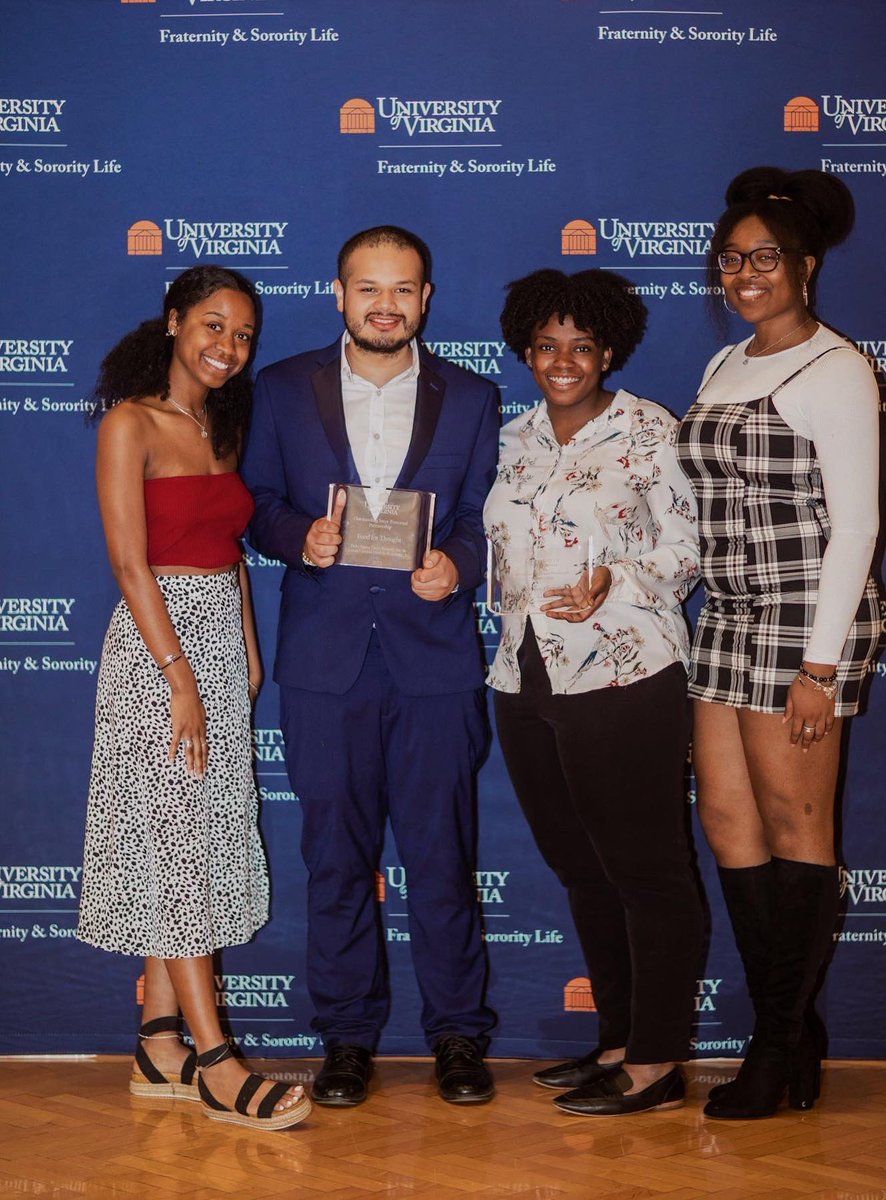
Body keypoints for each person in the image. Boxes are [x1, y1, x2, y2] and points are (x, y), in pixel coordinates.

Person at [242, 226, 500, 1107]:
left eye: (403, 289)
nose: (385, 304)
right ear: (339, 294)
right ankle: (347, 1039)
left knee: (441, 860)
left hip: (434, 664)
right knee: (336, 862)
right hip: (326, 665)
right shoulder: (279, 390)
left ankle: (458, 1037)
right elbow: (258, 506)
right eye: (368, 288)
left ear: (426, 298)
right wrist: (296, 539)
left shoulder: (471, 397)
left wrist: (457, 565)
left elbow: (478, 518)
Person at [77, 266, 310, 1132]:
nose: (228, 347)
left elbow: (231, 548)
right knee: (177, 844)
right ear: (174, 322)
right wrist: (181, 678)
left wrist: (244, 649)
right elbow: (131, 563)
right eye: (213, 326)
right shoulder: (127, 423)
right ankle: (215, 1062)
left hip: (215, 641)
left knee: (192, 836)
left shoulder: (222, 424)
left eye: (243, 336)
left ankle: (158, 1039)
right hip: (155, 651)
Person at [676, 166, 882, 1120]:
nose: (745, 274)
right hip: (726, 614)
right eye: (732, 259)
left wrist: (820, 666)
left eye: (765, 258)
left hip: (804, 621)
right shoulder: (727, 365)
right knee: (728, 822)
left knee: (799, 831)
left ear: (803, 265)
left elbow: (857, 528)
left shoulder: (836, 368)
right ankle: (788, 1030)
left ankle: (774, 1046)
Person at [485, 268, 704, 1116]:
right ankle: (614, 1040)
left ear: (608, 349)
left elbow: (689, 545)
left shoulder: (649, 430)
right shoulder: (512, 437)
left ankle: (656, 1060)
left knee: (646, 870)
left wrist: (619, 575)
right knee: (582, 870)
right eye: (546, 346)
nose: (563, 361)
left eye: (581, 346)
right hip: (522, 674)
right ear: (526, 352)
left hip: (624, 672)